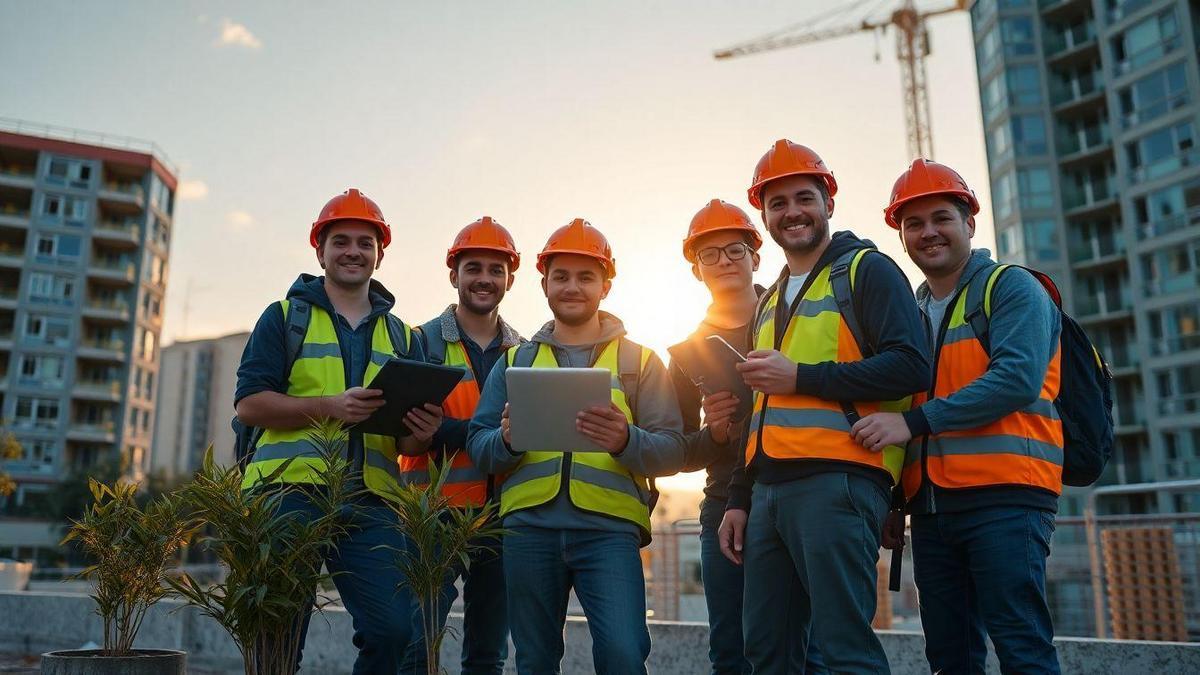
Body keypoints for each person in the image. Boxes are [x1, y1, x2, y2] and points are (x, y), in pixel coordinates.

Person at [717, 140, 931, 674]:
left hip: (838, 483)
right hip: (767, 493)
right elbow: (760, 410)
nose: (791, 212)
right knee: (767, 651)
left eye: (803, 197)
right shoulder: (768, 300)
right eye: (777, 203)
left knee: (844, 651)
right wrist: (739, 496)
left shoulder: (868, 271)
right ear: (763, 215)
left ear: (828, 203)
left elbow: (911, 366)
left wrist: (802, 377)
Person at [852, 159, 1062, 673]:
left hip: (1006, 496)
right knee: (949, 654)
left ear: (970, 222)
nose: (929, 233)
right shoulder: (912, 310)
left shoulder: (1010, 288)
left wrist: (914, 426)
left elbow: (1016, 380)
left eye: (941, 217)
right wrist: (896, 500)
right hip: (932, 508)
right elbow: (905, 405)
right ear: (901, 236)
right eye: (913, 224)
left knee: (1021, 644)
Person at [234, 188, 443, 674]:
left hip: (372, 501)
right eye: (341, 241)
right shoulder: (285, 318)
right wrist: (330, 407)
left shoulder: (404, 336)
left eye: (365, 242)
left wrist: (424, 431)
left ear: (380, 252)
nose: (353, 251)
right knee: (277, 635)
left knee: (394, 631)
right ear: (320, 250)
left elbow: (408, 443)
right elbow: (249, 406)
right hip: (288, 490)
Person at [467, 218, 688, 674]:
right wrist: (506, 441)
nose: (572, 286)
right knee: (535, 662)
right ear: (544, 283)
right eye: (561, 276)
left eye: (586, 276)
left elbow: (672, 450)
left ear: (606, 285)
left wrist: (626, 440)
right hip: (528, 531)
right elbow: (478, 445)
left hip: (609, 533)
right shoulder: (515, 361)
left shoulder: (639, 362)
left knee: (624, 656)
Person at [669, 199, 821, 674]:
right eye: (708, 255)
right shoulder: (687, 352)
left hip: (799, 491)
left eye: (734, 249)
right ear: (696, 270)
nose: (724, 262)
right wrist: (713, 433)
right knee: (731, 650)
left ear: (757, 255)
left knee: (810, 647)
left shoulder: (795, 317)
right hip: (724, 504)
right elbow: (680, 449)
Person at [401, 217, 523, 675]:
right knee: (415, 646)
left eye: (496, 269)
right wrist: (488, 434)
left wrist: (449, 430)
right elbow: (408, 427)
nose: (484, 279)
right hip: (431, 513)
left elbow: (527, 433)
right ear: (454, 275)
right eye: (474, 268)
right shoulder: (420, 342)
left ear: (510, 278)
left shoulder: (526, 352)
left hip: (501, 518)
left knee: (488, 656)